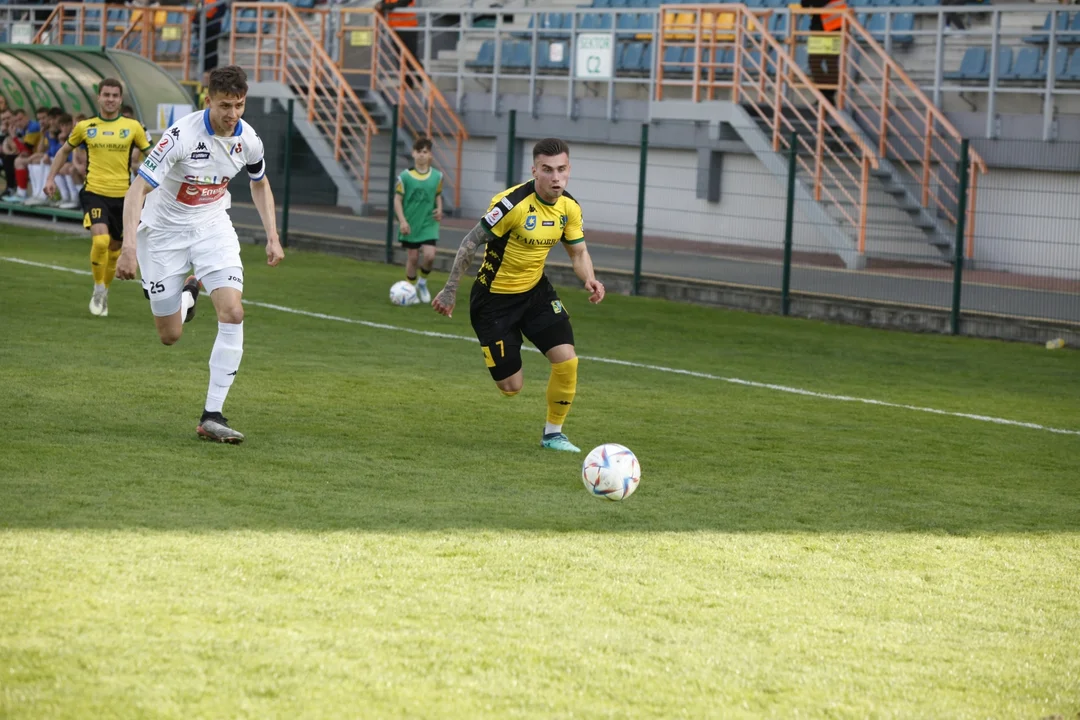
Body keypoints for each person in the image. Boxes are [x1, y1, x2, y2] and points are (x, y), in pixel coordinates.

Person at [116, 65, 284, 444]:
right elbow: (136, 190)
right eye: (225, 105)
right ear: (208, 99)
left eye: (239, 105)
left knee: (234, 311)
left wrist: (272, 236)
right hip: (162, 235)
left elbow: (260, 183)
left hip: (212, 227)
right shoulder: (180, 137)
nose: (233, 114)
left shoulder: (249, 140)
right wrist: (128, 248)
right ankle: (190, 294)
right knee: (170, 335)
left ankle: (213, 414)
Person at [431, 138, 605, 453]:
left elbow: (578, 252)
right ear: (534, 170)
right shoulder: (511, 205)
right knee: (512, 387)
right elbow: (470, 243)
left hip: (535, 293)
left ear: (569, 170)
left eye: (562, 170)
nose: (556, 178)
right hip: (493, 300)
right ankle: (503, 342)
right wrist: (449, 289)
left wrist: (590, 279)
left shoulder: (569, 207)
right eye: (548, 170)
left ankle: (553, 434)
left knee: (567, 361)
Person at [43, 79, 151, 317]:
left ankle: (104, 291)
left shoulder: (133, 127)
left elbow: (151, 154)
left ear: (120, 99)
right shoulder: (85, 127)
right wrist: (50, 178)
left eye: (115, 95)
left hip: (124, 198)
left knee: (114, 251)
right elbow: (64, 151)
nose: (110, 99)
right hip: (94, 192)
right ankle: (98, 288)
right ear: (99, 98)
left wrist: (158, 181)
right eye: (106, 94)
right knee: (100, 242)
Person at [393, 135, 443, 303]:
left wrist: (440, 209)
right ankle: (409, 290)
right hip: (411, 222)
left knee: (430, 256)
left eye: (425, 152)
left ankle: (422, 283)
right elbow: (397, 200)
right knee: (413, 258)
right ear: (413, 154)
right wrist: (402, 221)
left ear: (430, 155)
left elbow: (437, 196)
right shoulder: (405, 177)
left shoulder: (437, 177)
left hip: (429, 222)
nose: (422, 155)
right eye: (418, 151)